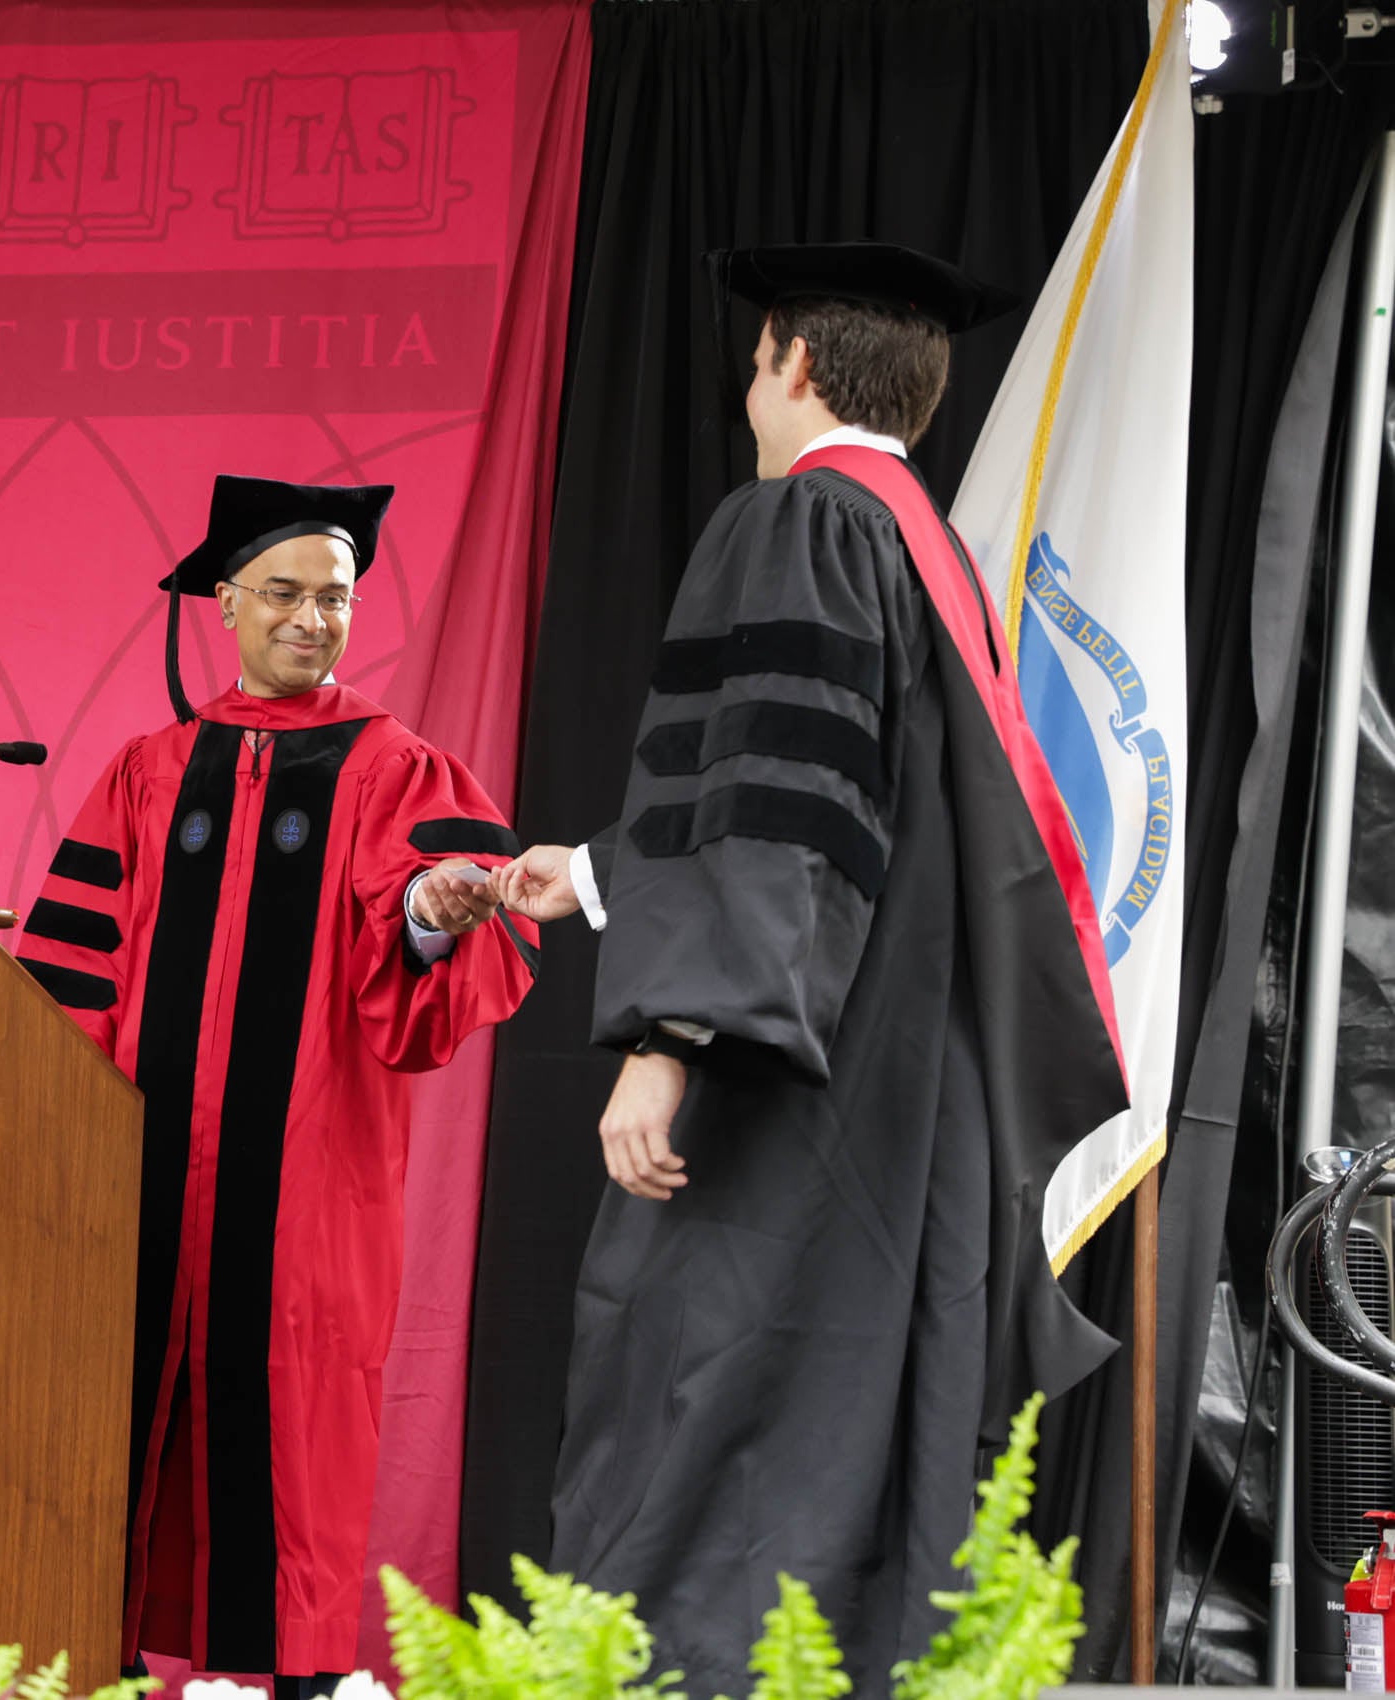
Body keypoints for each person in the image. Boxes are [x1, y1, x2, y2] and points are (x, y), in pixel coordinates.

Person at [490, 245, 1127, 1695]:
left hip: (794, 1088)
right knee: (842, 1420)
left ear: (782, 358)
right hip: (902, 1079)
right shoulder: (927, 544)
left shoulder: (798, 525)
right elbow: (820, 802)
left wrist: (666, 1033)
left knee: (712, 1405)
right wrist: (590, 876)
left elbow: (787, 821)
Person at [12, 475, 536, 1696]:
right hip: (137, 1180)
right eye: (286, 593)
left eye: (336, 598)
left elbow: (443, 914)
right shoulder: (149, 770)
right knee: (118, 1412)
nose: (313, 619)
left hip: (308, 1189)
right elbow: (68, 976)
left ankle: (296, 1677)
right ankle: (107, 1655)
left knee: (295, 1426)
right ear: (226, 603)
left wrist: (429, 912)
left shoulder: (398, 769)